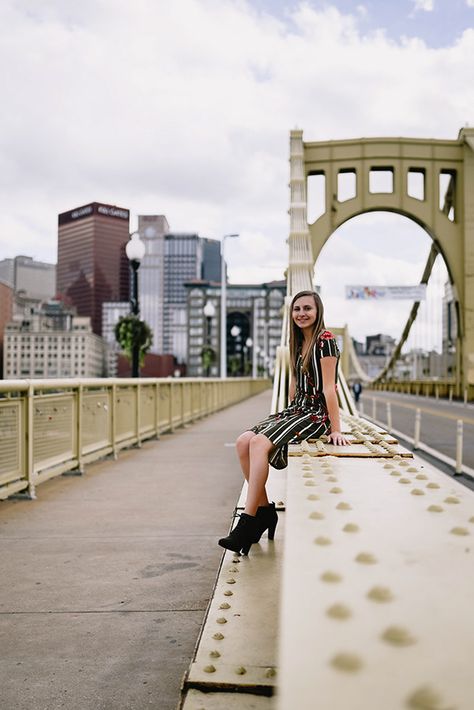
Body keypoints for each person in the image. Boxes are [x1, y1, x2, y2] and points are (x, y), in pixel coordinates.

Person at [218, 290, 351, 556]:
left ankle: (247, 521)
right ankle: (266, 512)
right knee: (243, 441)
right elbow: (293, 383)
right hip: (296, 409)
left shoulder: (325, 341)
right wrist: (285, 412)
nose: (301, 313)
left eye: (307, 309)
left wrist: (335, 429)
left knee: (258, 444)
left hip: (315, 414)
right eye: (296, 309)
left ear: (318, 311)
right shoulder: (297, 341)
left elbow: (329, 388)